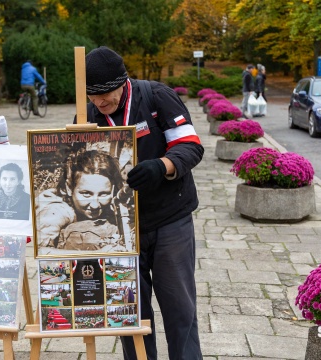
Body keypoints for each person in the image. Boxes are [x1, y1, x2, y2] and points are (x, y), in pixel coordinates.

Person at [80, 46, 203, 360]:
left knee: (180, 308)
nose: (100, 102)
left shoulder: (157, 97)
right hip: (119, 231)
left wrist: (162, 166)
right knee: (129, 313)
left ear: (123, 81)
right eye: (92, 96)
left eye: (106, 94)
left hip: (169, 219)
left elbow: (190, 147)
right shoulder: (87, 114)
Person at [36, 150, 130, 251]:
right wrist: (98, 255)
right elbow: (38, 251)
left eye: (103, 194)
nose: (95, 205)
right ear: (69, 188)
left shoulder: (113, 203)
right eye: (86, 194)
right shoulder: (57, 211)